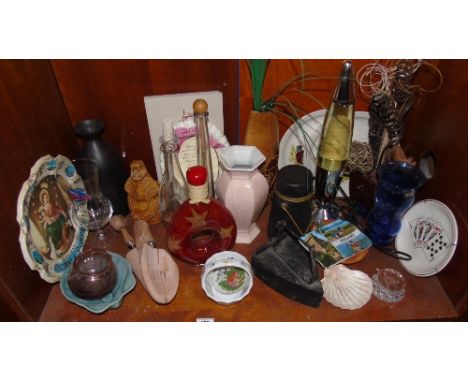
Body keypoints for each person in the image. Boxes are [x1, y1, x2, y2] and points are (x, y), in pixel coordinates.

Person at [38, 185, 72, 257]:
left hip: (55, 218)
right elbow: (44, 217)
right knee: (49, 230)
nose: (46, 199)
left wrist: (61, 211)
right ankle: (57, 247)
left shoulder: (50, 204)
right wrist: (43, 221)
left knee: (61, 220)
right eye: (44, 198)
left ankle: (64, 241)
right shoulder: (43, 208)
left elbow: (56, 210)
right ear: (43, 200)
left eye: (47, 197)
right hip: (50, 221)